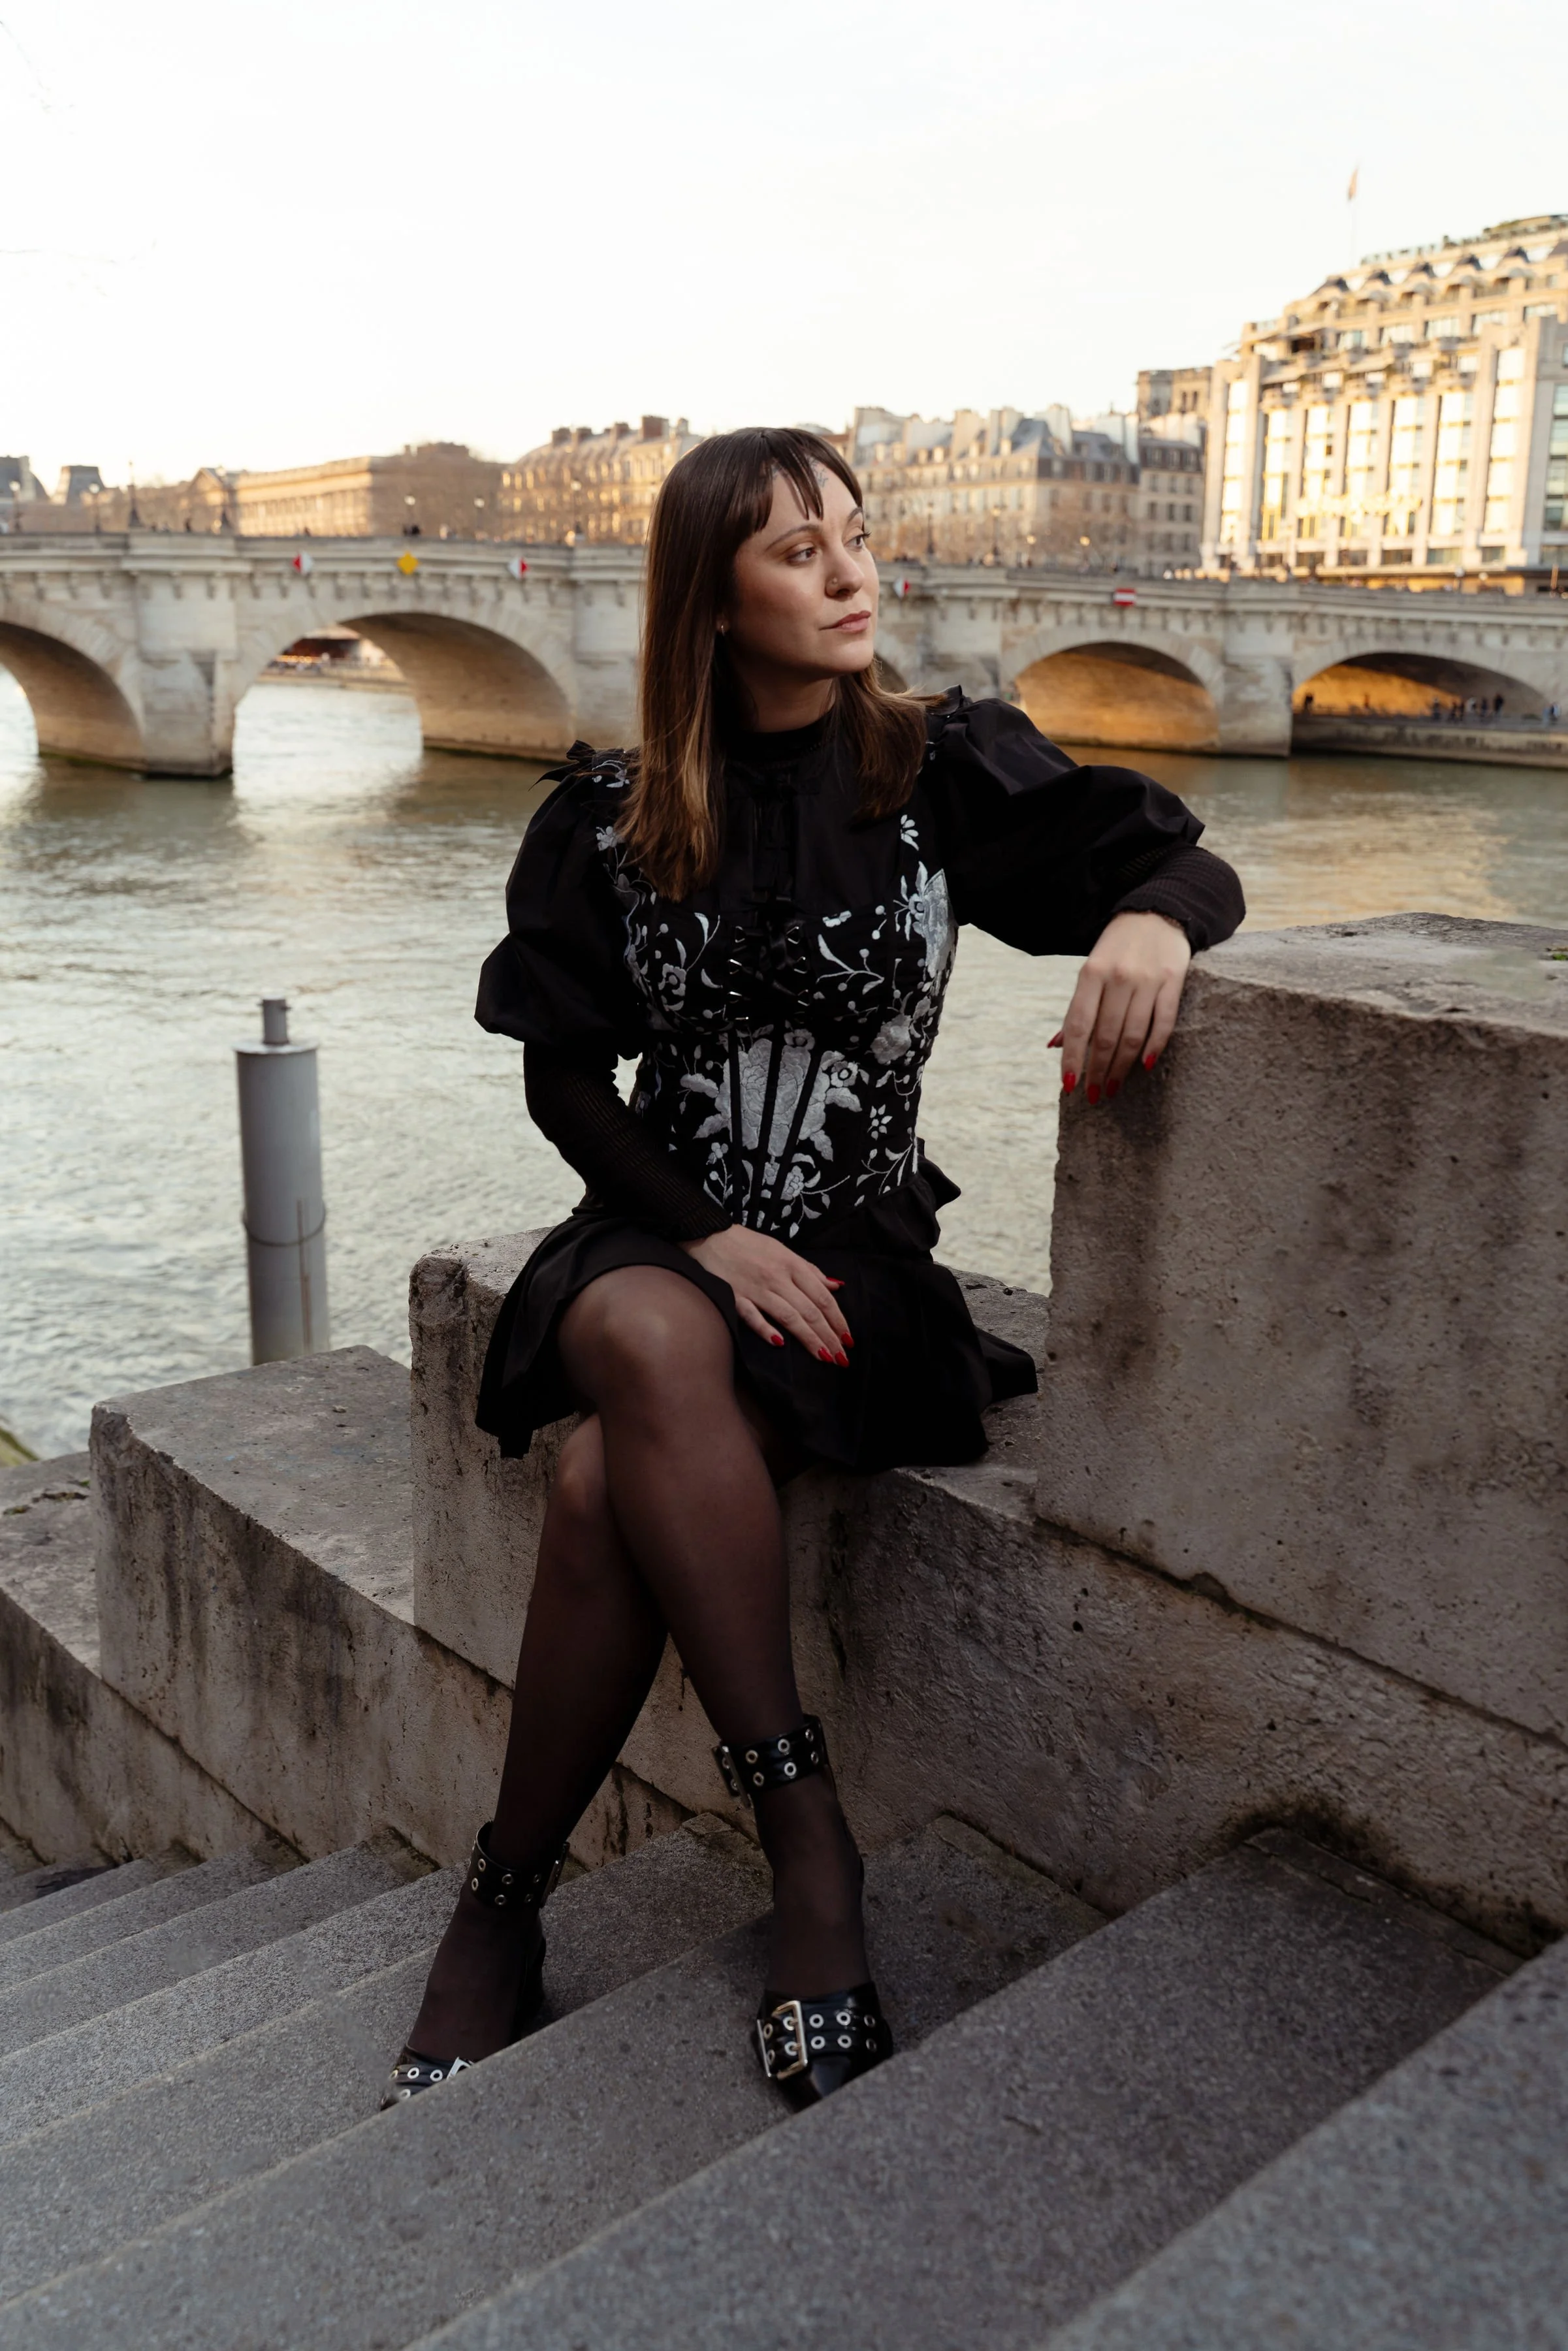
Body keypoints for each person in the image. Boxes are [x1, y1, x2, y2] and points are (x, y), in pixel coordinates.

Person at [383, 428, 1245, 2113]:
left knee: (598, 1487)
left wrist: (1151, 925)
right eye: (800, 551)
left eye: (857, 534)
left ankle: (502, 1902)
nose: (854, 575)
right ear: (712, 601)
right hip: (664, 1230)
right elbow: (565, 1077)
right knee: (649, 1330)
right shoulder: (615, 817)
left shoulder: (938, 769)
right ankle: (807, 1846)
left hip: (853, 1253)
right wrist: (706, 1233)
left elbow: (1176, 856)